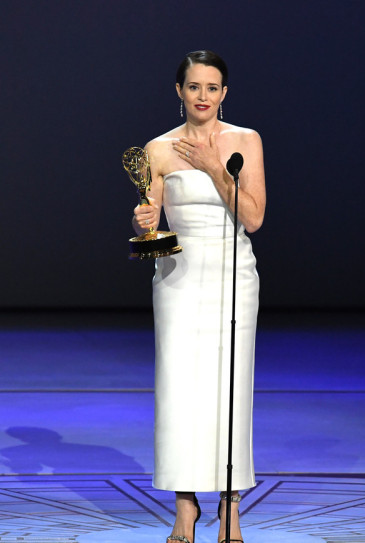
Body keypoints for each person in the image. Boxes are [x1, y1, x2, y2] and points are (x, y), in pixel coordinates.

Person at [132, 50, 266, 543]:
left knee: (230, 389)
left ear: (224, 93)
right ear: (179, 91)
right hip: (177, 278)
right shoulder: (158, 148)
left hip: (234, 275)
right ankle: (185, 507)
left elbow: (253, 218)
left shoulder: (245, 141)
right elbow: (150, 215)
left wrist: (215, 168)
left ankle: (230, 509)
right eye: (194, 87)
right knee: (179, 389)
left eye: (212, 88)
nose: (203, 96)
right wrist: (144, 220)